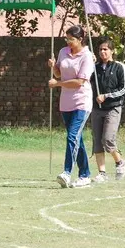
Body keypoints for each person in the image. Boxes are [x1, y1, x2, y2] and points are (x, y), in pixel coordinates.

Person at [48, 25, 95, 188]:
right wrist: (53, 66)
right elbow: (59, 73)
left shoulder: (87, 56)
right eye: (66, 39)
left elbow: (79, 82)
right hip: (66, 102)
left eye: (71, 39)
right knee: (76, 138)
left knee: (72, 136)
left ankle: (67, 173)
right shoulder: (63, 52)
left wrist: (58, 84)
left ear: (80, 39)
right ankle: (85, 175)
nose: (68, 42)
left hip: (82, 102)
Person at [89, 37, 125, 182]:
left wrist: (106, 96)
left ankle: (120, 162)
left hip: (113, 108)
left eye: (105, 49)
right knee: (97, 141)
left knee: (108, 139)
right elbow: (86, 80)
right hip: (96, 109)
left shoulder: (119, 67)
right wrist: (90, 63)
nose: (102, 52)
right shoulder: (95, 67)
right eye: (100, 49)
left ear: (112, 51)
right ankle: (102, 173)